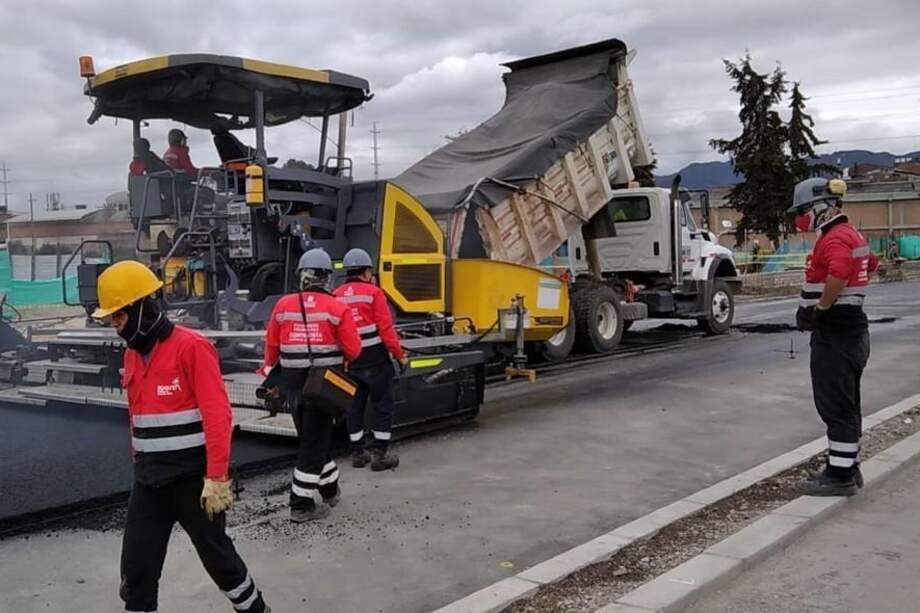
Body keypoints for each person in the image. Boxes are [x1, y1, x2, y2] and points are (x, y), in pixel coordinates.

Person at [91, 260, 268, 613]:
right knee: (136, 570)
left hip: (193, 481)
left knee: (219, 559)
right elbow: (137, 417)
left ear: (140, 308)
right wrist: (139, 461)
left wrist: (217, 478)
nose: (114, 325)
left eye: (118, 316)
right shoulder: (131, 355)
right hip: (149, 481)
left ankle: (255, 609)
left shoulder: (191, 347)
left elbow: (218, 416)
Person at [790, 177, 878, 497]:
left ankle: (839, 477)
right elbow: (871, 264)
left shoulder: (835, 237)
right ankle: (847, 466)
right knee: (847, 404)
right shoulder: (851, 233)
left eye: (802, 211)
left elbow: (839, 273)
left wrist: (821, 309)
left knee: (835, 406)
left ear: (820, 207)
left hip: (836, 332)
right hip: (851, 330)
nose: (800, 219)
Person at [261, 248, 361, 521]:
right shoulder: (338, 307)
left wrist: (270, 372)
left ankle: (329, 489)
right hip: (324, 385)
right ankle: (301, 504)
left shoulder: (283, 305)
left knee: (313, 438)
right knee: (313, 445)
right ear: (327, 278)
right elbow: (354, 350)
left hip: (292, 384)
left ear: (301, 276)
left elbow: (271, 345)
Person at [333, 248, 406, 471]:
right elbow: (386, 329)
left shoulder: (335, 295)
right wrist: (399, 354)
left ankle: (358, 453)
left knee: (354, 407)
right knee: (382, 407)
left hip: (351, 362)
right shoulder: (374, 293)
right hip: (376, 360)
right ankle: (379, 455)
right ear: (367, 272)